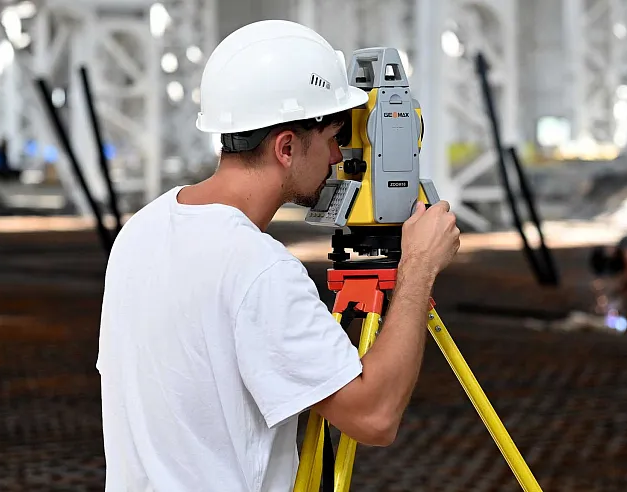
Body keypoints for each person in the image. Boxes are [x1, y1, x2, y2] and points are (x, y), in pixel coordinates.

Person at [95, 19, 460, 492]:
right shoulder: (259, 269)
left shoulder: (140, 231)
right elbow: (374, 417)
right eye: (331, 137)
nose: (337, 156)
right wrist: (418, 267)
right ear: (286, 147)